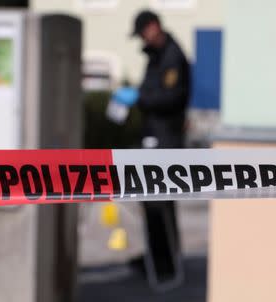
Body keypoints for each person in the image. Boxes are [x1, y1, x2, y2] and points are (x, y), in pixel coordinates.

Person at [113, 10, 190, 290]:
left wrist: (140, 97)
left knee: (161, 204)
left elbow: (171, 97)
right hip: (153, 139)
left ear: (153, 27)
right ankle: (155, 259)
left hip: (166, 142)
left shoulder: (172, 56)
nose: (142, 41)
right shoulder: (157, 56)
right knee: (150, 201)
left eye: (143, 34)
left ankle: (166, 264)